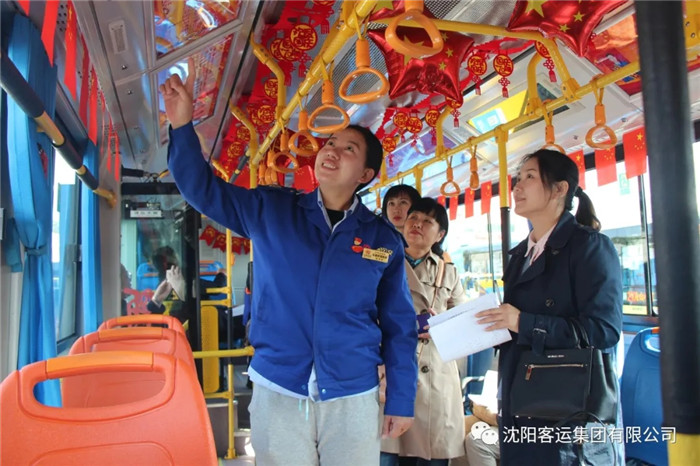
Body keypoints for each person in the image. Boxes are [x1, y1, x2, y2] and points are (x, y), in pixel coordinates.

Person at [160, 59, 417, 465]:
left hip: (352, 391)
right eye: (330, 143)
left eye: (348, 149)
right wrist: (181, 125)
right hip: (279, 385)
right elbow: (202, 189)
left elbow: (400, 326)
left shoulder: (382, 239)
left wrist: (401, 399)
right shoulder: (272, 210)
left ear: (365, 174)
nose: (332, 151)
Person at [475, 149, 622, 465]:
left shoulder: (589, 247)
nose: (517, 186)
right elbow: (517, 325)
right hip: (518, 401)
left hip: (568, 411)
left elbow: (603, 331)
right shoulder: (520, 255)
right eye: (517, 178)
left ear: (559, 189)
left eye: (529, 177)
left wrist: (523, 322)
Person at [381, 198, 467, 466]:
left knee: (432, 456)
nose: (417, 224)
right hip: (392, 373)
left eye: (427, 221)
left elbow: (464, 322)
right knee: (386, 454)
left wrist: (442, 324)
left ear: (440, 234)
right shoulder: (383, 263)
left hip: (435, 379)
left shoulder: (449, 273)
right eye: (413, 218)